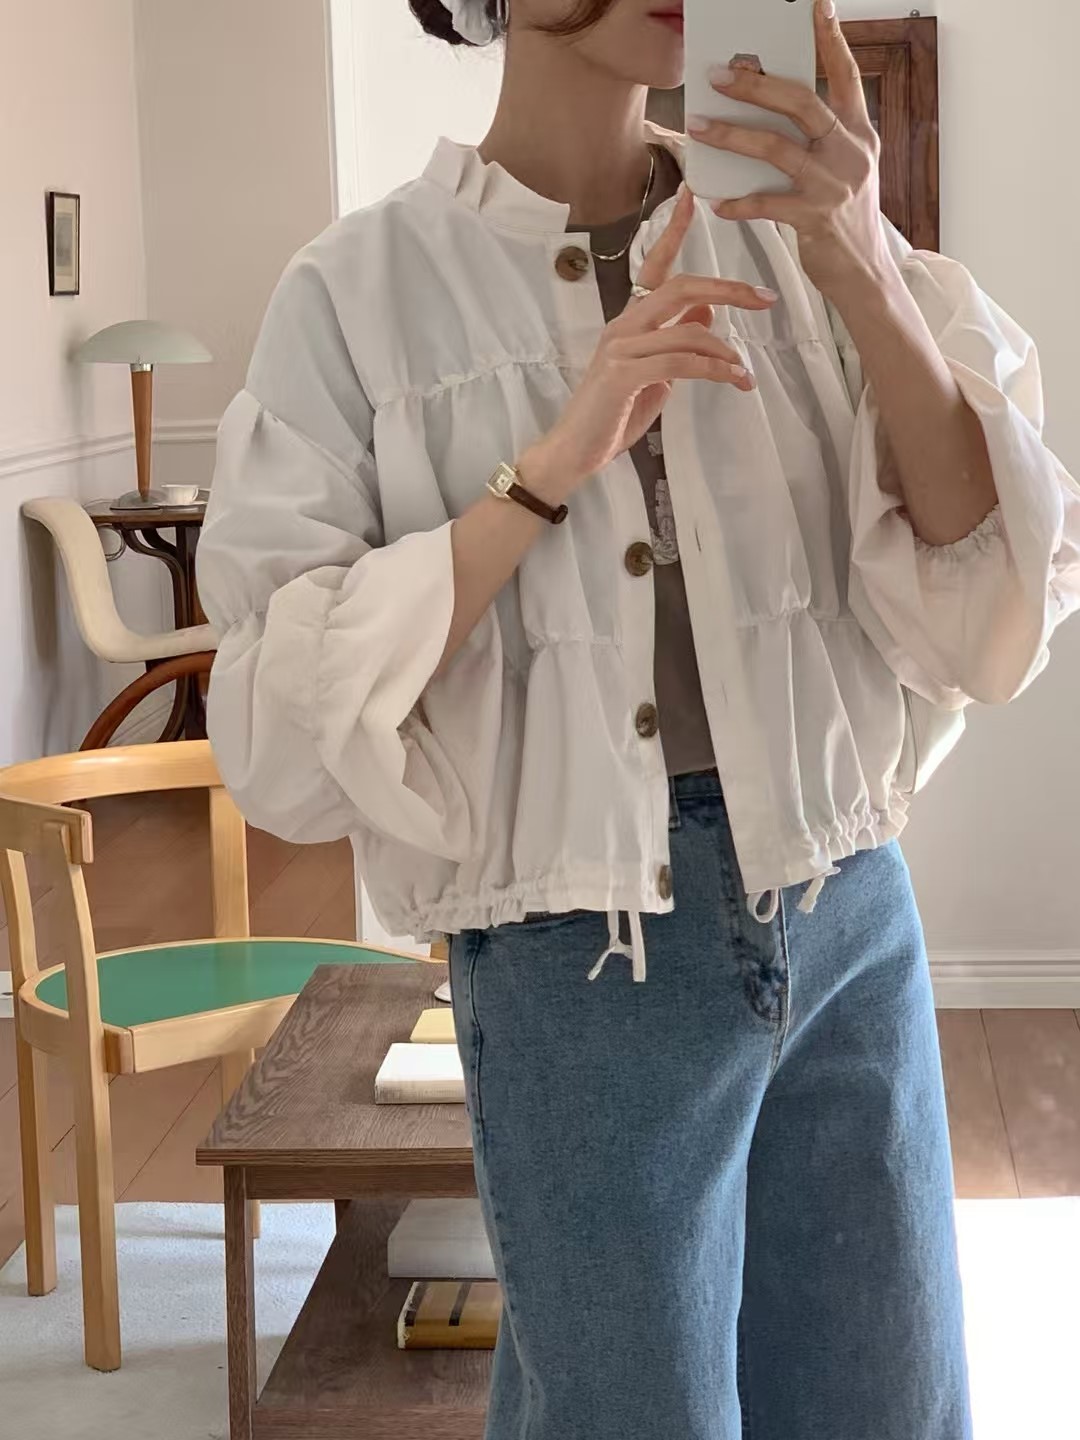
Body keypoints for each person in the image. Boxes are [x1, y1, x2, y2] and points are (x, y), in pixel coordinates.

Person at [196, 1, 1080, 1435]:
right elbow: (277, 734)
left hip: (847, 906)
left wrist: (859, 252)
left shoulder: (800, 236)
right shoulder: (361, 294)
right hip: (579, 954)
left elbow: (990, 609)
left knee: (892, 1399)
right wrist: (549, 467)